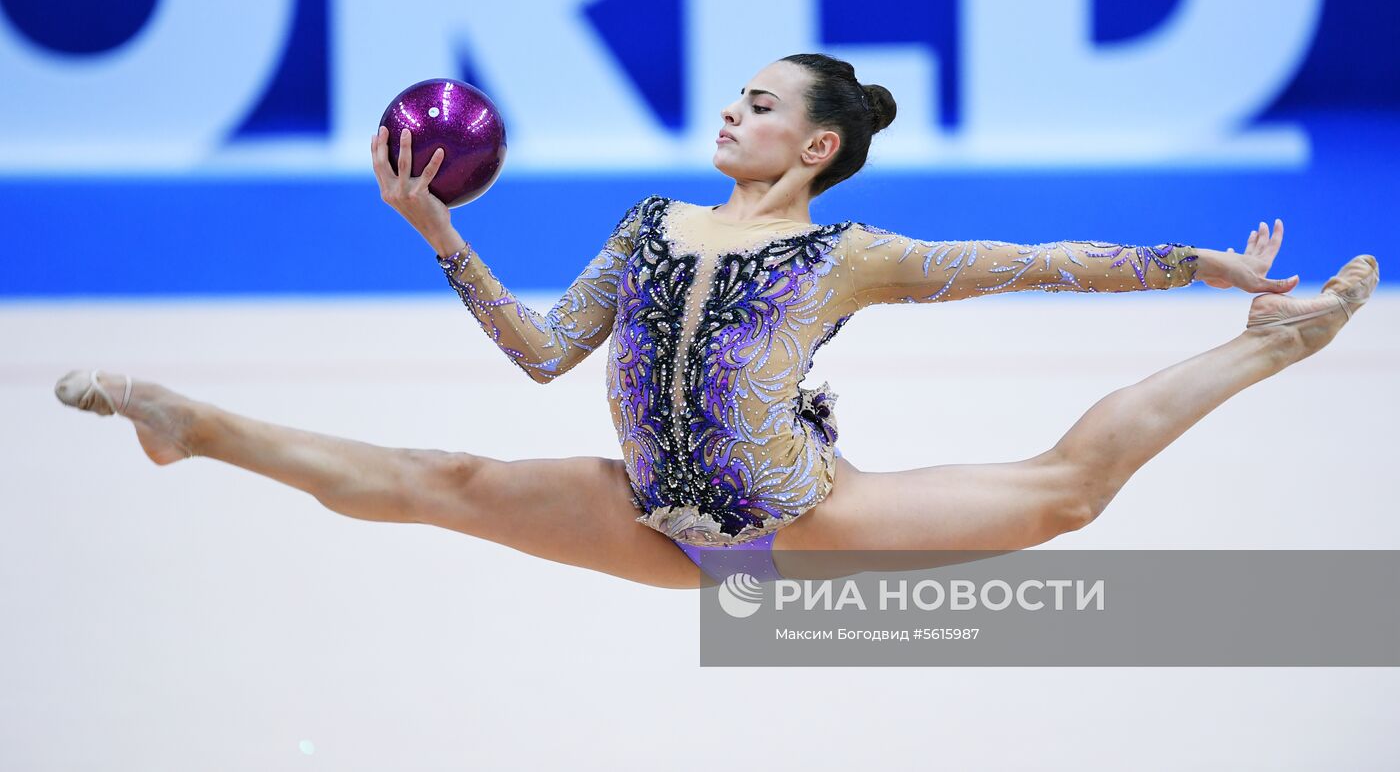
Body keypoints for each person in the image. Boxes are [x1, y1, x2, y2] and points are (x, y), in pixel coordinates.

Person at [55, 53, 1379, 590]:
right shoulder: (646, 226)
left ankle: (1277, 343)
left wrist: (1193, 264)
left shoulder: (843, 253)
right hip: (659, 518)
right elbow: (538, 353)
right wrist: (444, 237)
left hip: (799, 519)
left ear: (812, 142)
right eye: (734, 96)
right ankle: (192, 423)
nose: (734, 110)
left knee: (1066, 496)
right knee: (433, 481)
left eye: (760, 101)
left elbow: (1027, 263)